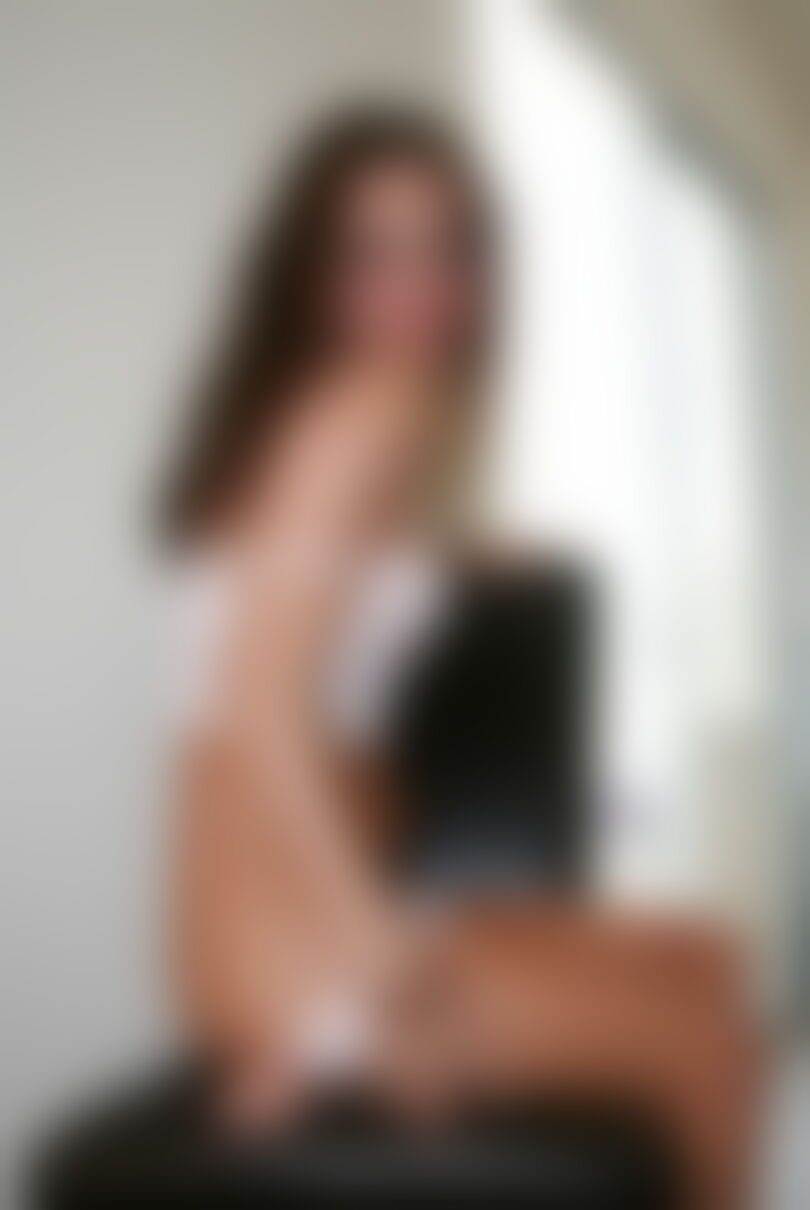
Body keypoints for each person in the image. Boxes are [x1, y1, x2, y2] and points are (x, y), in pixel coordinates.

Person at [38, 110, 758, 1210]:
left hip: (262, 936)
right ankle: (312, 1031)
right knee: (703, 1039)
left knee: (704, 954)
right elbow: (263, 713)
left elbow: (316, 597)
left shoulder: (319, 420)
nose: (418, 285)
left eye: (445, 247)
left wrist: (462, 555)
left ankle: (296, 1028)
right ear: (311, 274)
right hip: (306, 941)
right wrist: (386, 974)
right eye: (373, 253)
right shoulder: (368, 407)